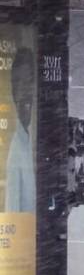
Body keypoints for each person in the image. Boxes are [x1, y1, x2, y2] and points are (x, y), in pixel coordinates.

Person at [5, 47, 36, 213]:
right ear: (13, 91)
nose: (25, 91)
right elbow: (13, 219)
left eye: (29, 82)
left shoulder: (31, 140)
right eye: (20, 83)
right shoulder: (16, 151)